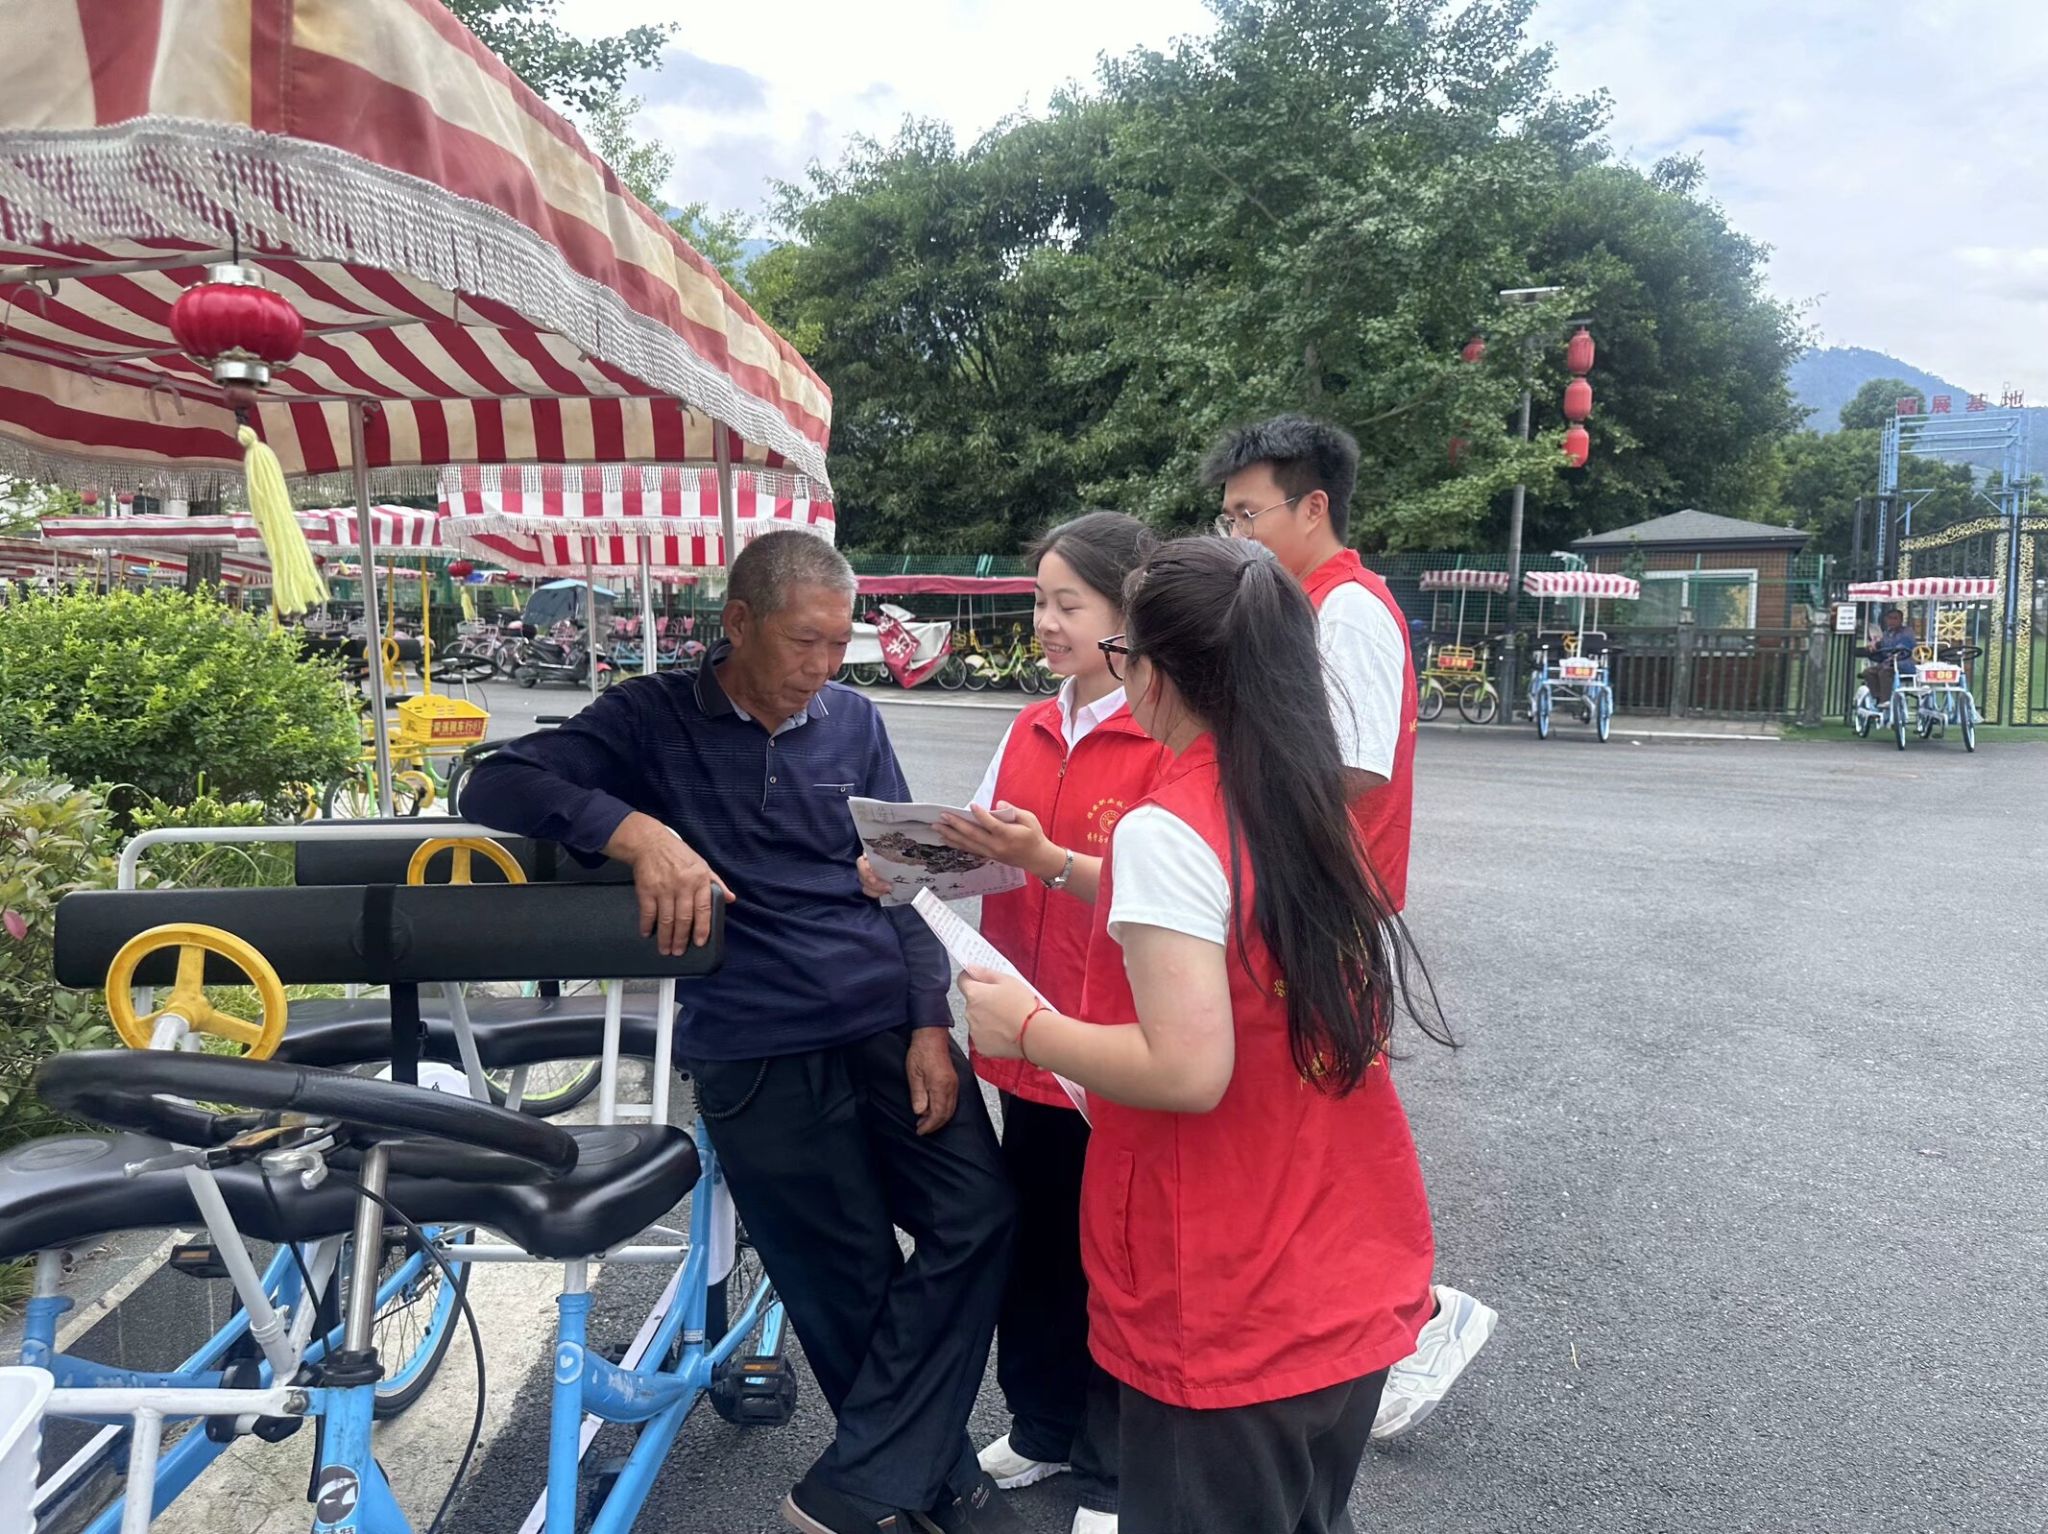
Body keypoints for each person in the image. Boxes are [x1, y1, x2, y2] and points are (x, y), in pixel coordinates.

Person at [459, 530, 1022, 1534]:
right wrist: (641, 834)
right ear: (738, 623)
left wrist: (929, 1022)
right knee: (845, 1275)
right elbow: (495, 782)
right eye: (805, 642)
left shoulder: (852, 719)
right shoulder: (651, 717)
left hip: (884, 1024)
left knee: (980, 1215)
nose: (824, 667)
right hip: (756, 1040)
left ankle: (863, 1485)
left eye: (839, 644)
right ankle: (938, 1489)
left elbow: (903, 876)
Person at [959, 536, 1452, 1534]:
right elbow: (1200, 908)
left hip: (1226, 1276)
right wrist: (1054, 862)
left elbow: (1185, 1068)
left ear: (1155, 669)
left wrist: (1028, 1027)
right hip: (1340, 1251)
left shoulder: (1166, 823)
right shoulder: (1294, 794)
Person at [861, 512, 1169, 1534]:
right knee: (1034, 1246)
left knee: (1117, 1263)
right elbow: (982, 850)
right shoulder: (1032, 726)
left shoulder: (1164, 734)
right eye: (1039, 601)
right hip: (1025, 1037)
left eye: (1066, 604)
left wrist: (1045, 860)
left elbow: (1178, 886)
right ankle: (1041, 1427)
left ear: (1127, 613)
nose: (1044, 622)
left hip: (1118, 1049)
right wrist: (904, 861)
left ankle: (1115, 1472)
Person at [1200, 414, 1494, 1440]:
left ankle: (1420, 1316)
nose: (1235, 533)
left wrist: (1230, 796)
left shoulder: (1347, 609)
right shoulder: (1293, 605)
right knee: (1309, 1123)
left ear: (1312, 506)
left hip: (1324, 900)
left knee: (1339, 1121)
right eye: (1227, 516)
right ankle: (1363, 1317)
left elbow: (1358, 763)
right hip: (1294, 896)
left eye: (1248, 513)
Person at [1862, 607, 1919, 704]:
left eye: (1895, 618)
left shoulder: (1907, 632)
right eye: (1890, 618)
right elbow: (1882, 651)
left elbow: (1904, 647)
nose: (1892, 621)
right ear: (1886, 619)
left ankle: (1885, 701)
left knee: (1885, 672)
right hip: (1888, 663)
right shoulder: (1886, 634)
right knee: (1868, 672)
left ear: (1901, 620)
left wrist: (1895, 652)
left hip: (1904, 664)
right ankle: (1877, 697)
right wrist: (1873, 648)